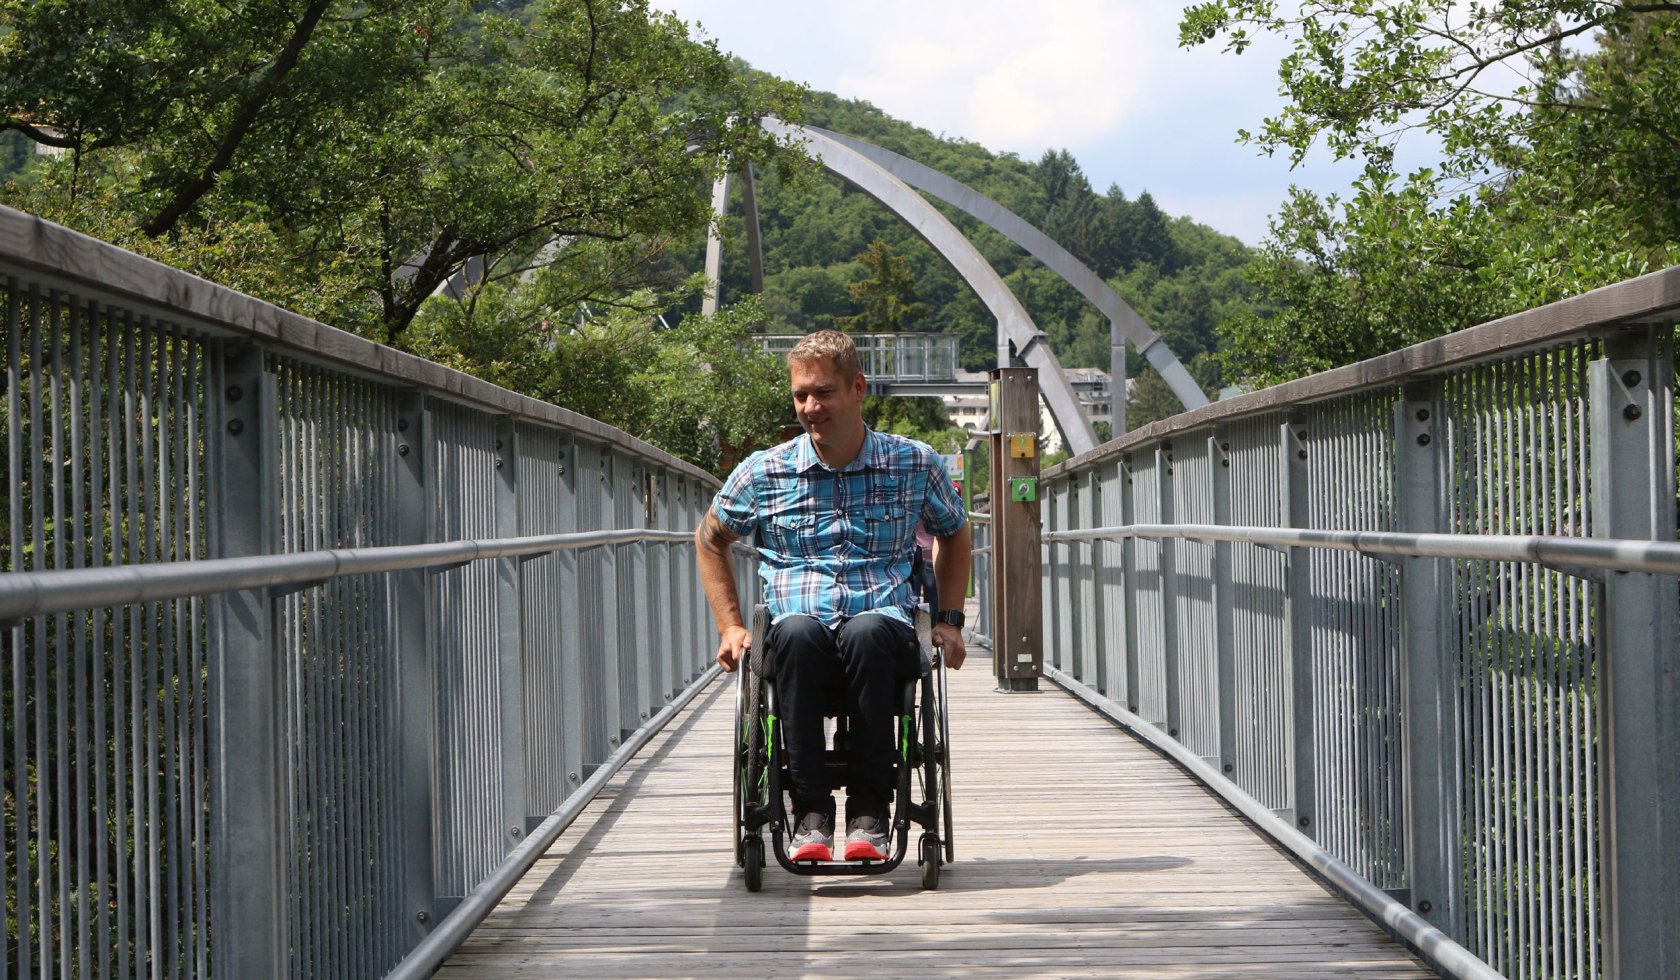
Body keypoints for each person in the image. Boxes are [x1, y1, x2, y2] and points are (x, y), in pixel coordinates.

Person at [695, 329, 972, 863]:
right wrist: (730, 626)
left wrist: (950, 618)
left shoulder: (914, 463)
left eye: (822, 393)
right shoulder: (765, 470)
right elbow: (710, 540)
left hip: (882, 624)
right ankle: (811, 814)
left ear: (858, 387)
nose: (809, 407)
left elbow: (955, 531)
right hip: (799, 627)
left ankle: (870, 812)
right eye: (800, 395)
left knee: (868, 630)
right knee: (795, 633)